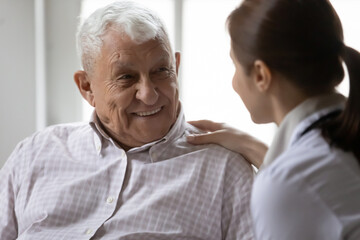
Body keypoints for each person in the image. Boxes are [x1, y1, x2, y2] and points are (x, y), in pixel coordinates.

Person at [0, 1, 255, 239]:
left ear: (176, 67)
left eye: (161, 71)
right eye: (126, 77)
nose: (149, 94)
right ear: (87, 87)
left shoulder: (225, 170)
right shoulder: (34, 154)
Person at [187, 0, 360, 239]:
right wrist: (252, 147)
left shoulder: (286, 184)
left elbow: (297, 185)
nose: (233, 82)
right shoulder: (338, 144)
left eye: (235, 65)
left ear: (260, 75)